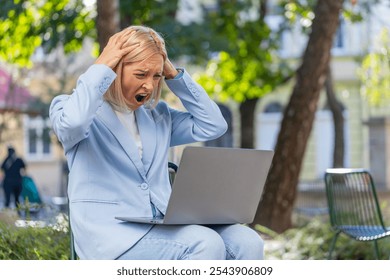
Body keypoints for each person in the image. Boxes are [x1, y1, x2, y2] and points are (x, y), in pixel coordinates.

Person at [49, 25, 264, 260]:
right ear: (115, 69)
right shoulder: (72, 108)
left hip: (162, 224)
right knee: (204, 243)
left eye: (156, 76)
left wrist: (174, 75)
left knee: (248, 241)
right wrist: (100, 67)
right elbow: (73, 123)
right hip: (111, 236)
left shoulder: (158, 116)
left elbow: (213, 124)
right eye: (141, 74)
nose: (150, 86)